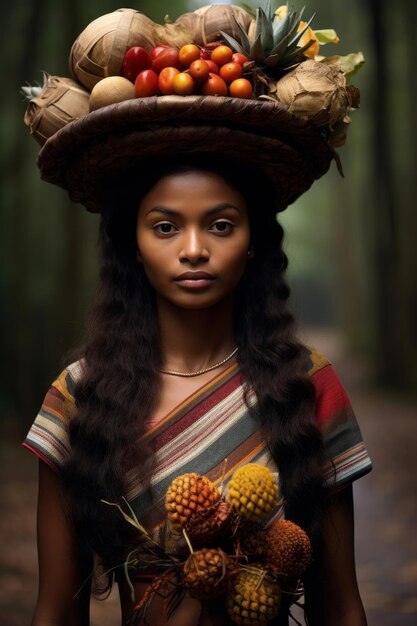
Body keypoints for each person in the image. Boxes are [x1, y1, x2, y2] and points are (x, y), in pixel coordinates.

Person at [22, 6, 371, 626]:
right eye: (164, 226)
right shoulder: (77, 399)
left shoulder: (307, 387)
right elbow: (55, 608)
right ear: (132, 241)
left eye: (220, 224)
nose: (192, 249)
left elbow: (341, 605)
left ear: (256, 240)